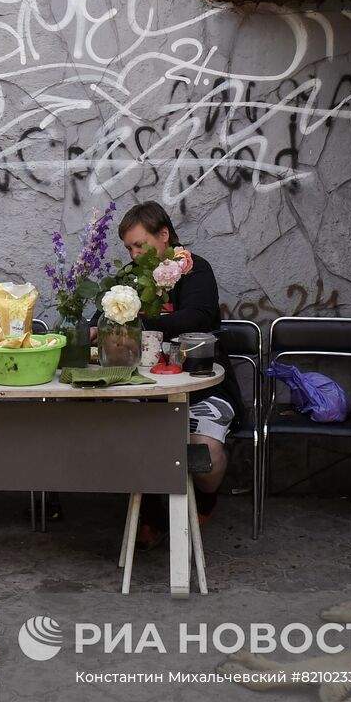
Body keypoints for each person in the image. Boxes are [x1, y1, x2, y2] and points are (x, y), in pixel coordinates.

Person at [115, 200, 244, 547]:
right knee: (125, 436)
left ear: (164, 235)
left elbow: (198, 317)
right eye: (128, 247)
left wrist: (138, 321)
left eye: (140, 244)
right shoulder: (129, 279)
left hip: (202, 386)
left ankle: (205, 499)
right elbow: (106, 311)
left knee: (206, 453)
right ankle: (151, 513)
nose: (134, 253)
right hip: (143, 387)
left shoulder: (195, 270)